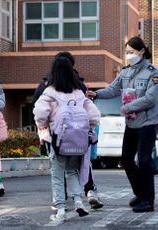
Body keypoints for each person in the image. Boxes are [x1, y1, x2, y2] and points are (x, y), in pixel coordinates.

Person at [86, 36, 158, 212]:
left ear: (142, 51)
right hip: (132, 123)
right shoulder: (125, 72)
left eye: (132, 52)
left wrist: (127, 107)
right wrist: (96, 94)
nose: (129, 55)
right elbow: (112, 89)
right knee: (126, 159)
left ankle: (148, 200)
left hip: (148, 122)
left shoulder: (153, 73)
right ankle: (140, 193)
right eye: (127, 52)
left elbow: (150, 99)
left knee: (144, 160)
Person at [33, 51, 103, 210]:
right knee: (73, 172)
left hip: (57, 139)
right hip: (78, 139)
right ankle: (79, 201)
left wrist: (42, 126)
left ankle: (60, 206)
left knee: (57, 174)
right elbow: (94, 115)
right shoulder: (78, 91)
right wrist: (88, 129)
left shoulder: (49, 90)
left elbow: (40, 113)